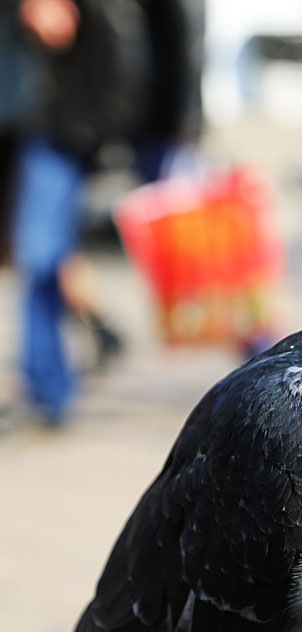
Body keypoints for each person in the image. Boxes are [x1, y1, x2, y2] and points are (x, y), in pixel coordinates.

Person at [6, 0, 202, 427]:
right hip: (66, 110)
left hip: (153, 114)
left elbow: (187, 19)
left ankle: (279, 372)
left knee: (205, 257)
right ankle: (46, 394)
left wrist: (189, 120)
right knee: (38, 254)